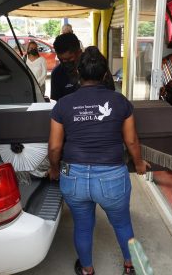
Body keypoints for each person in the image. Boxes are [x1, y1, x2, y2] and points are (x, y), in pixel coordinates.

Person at [48, 46, 150, 275]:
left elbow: (55, 146)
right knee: (122, 224)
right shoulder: (120, 101)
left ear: (78, 72)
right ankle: (130, 266)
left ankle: (87, 269)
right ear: (105, 75)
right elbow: (131, 141)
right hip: (112, 176)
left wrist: (54, 169)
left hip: (73, 177)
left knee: (83, 226)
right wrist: (140, 163)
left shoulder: (63, 105)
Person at [51, 33, 114, 101]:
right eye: (61, 60)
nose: (66, 63)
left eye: (69, 59)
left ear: (79, 52)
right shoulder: (57, 74)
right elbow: (56, 101)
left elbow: (111, 93)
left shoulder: (96, 67)